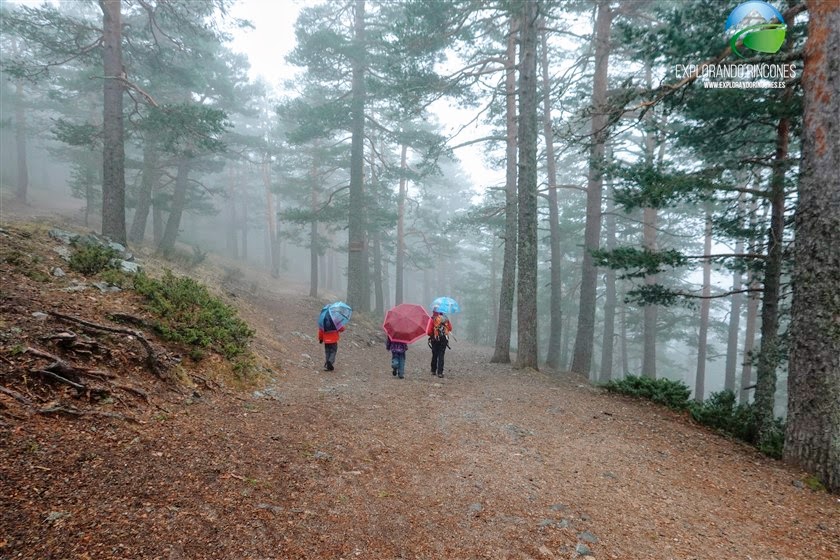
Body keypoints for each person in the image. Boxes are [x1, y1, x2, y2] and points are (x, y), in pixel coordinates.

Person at [427, 309, 452, 378]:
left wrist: (433, 335)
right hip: (444, 339)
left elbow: (429, 332)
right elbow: (450, 328)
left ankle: (433, 370)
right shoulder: (445, 319)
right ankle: (440, 372)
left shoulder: (432, 319)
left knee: (435, 354)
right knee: (441, 355)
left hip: (435, 339)